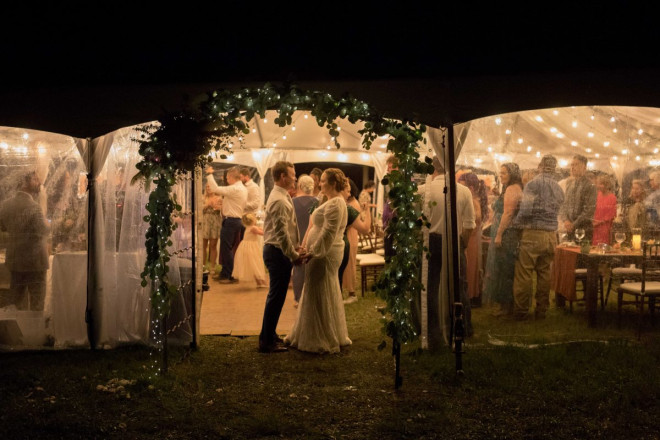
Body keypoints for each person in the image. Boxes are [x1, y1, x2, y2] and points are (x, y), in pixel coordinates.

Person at [285, 168, 351, 353]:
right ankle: (318, 331)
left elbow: (328, 234)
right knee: (319, 289)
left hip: (324, 256)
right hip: (321, 254)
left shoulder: (336, 204)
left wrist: (313, 252)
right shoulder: (330, 201)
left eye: (322, 180)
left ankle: (320, 336)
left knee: (318, 289)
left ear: (332, 183)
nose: (319, 183)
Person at [258, 161, 305, 353]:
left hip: (278, 251)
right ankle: (266, 341)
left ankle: (269, 335)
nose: (295, 177)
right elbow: (281, 233)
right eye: (292, 174)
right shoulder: (278, 199)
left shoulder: (281, 195)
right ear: (283, 176)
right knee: (276, 297)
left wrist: (296, 246)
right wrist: (293, 255)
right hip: (277, 252)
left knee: (276, 297)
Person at [512, 155, 565, 320]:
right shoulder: (558, 188)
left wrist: (515, 223)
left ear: (540, 166)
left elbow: (526, 210)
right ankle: (542, 310)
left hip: (533, 233)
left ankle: (521, 311)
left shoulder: (532, 184)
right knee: (544, 273)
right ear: (554, 168)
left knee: (524, 272)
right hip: (551, 235)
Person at [0, 171, 50, 311]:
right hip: (35, 262)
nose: (39, 183)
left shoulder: (5, 205)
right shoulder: (34, 206)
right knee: (37, 302)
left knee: (17, 303)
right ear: (25, 182)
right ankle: (34, 332)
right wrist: (49, 223)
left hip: (15, 260)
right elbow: (43, 230)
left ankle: (18, 331)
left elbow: (3, 227)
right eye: (35, 179)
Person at [484, 163, 523, 316]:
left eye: (504, 173)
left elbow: (508, 214)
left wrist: (499, 234)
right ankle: (505, 304)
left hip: (506, 233)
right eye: (500, 173)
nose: (501, 176)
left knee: (504, 269)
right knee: (502, 268)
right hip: (503, 230)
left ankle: (506, 306)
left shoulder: (513, 189)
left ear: (512, 174)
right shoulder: (509, 188)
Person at [206, 166, 247, 283]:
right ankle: (225, 273)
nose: (227, 180)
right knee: (226, 248)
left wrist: (209, 174)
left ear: (232, 177)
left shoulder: (235, 189)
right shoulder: (241, 189)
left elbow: (215, 188)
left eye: (228, 177)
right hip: (235, 220)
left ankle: (229, 275)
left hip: (231, 221)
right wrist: (223, 202)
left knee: (227, 249)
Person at [458, 172, 489, 307]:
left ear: (470, 188)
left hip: (470, 238)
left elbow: (474, 220)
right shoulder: (473, 200)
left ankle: (470, 296)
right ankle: (471, 294)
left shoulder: (472, 201)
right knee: (471, 267)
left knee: (470, 267)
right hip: (472, 237)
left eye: (462, 185)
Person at [341, 178, 371, 304]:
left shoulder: (353, 203)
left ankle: (352, 293)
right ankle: (345, 291)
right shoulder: (348, 202)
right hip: (348, 235)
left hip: (350, 235)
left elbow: (361, 226)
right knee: (345, 265)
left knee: (350, 264)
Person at [291, 175, 317, 307]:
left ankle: (298, 298)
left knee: (298, 268)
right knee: (312, 267)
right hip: (312, 238)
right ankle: (311, 296)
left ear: (299, 186)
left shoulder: (292, 202)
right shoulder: (318, 202)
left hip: (296, 239)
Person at [559, 155, 597, 242]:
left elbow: (589, 210)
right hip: (569, 229)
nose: (572, 167)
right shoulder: (569, 184)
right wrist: (565, 221)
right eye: (571, 165)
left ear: (584, 167)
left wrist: (573, 224)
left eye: (576, 164)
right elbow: (563, 205)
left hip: (583, 229)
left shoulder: (590, 185)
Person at [232, 213, 267, 287]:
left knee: (253, 264)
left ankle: (259, 282)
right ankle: (261, 282)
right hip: (251, 248)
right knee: (255, 263)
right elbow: (262, 233)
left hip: (248, 247)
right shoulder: (253, 228)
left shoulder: (249, 227)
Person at [592, 174, 617, 245]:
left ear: (607, 185)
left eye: (601, 184)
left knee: (604, 245)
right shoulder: (597, 195)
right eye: (598, 184)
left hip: (605, 227)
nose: (599, 186)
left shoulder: (612, 197)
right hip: (595, 227)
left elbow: (612, 214)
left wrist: (599, 222)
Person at [202, 190, 222, 275]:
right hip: (205, 221)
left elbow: (222, 209)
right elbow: (199, 209)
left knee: (213, 245)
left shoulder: (219, 198)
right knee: (203, 245)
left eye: (209, 187)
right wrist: (207, 205)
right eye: (207, 187)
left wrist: (217, 207)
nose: (208, 189)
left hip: (215, 222)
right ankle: (202, 266)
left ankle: (212, 267)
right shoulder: (203, 198)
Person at [624, 179, 647, 244]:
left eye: (637, 189)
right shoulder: (628, 201)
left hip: (641, 233)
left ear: (642, 190)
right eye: (633, 188)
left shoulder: (645, 202)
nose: (635, 191)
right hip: (628, 233)